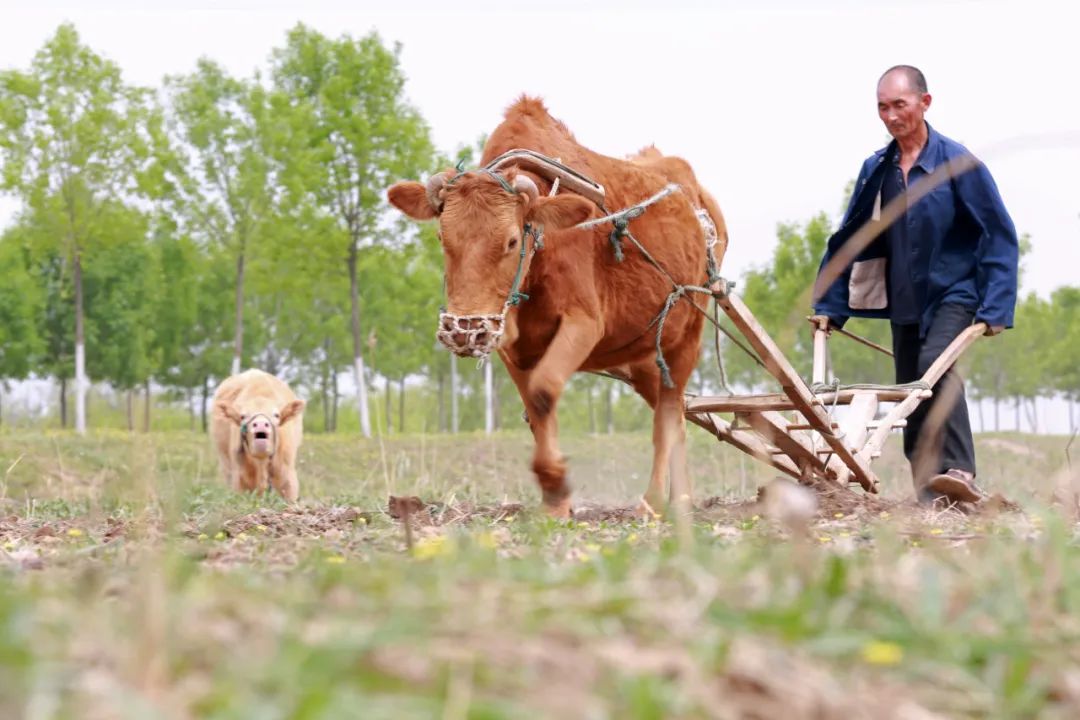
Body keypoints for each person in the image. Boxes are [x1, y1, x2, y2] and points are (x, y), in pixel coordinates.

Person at [811, 65, 1019, 505]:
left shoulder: (958, 163)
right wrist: (830, 305)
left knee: (933, 368)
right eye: (882, 107)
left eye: (899, 105)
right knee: (909, 392)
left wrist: (997, 306)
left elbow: (998, 233)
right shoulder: (877, 168)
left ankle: (960, 469)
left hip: (955, 292)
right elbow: (851, 238)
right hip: (904, 297)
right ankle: (930, 493)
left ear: (925, 103)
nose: (891, 116)